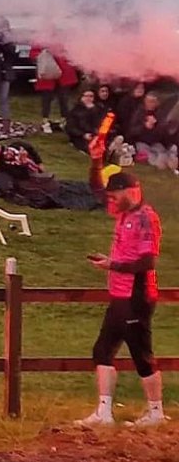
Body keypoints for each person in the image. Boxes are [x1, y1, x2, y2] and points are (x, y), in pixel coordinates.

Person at [76, 137, 166, 427]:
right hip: (119, 295)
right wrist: (95, 160)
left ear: (130, 191)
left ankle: (155, 413)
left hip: (136, 296)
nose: (110, 201)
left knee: (141, 354)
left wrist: (112, 264)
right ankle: (104, 412)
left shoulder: (145, 219)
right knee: (102, 350)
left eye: (115, 196)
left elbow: (147, 263)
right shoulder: (125, 212)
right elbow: (95, 190)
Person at [29, 44, 78, 134]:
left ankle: (64, 121)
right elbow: (33, 54)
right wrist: (43, 55)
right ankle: (45, 121)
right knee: (46, 99)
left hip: (64, 72)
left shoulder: (65, 37)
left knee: (64, 99)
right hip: (48, 72)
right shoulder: (40, 39)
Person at [66, 88, 105, 153]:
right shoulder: (75, 111)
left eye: (91, 96)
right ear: (81, 97)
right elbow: (70, 128)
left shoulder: (99, 109)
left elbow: (100, 123)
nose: (88, 98)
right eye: (86, 96)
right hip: (81, 137)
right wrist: (83, 135)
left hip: (96, 135)